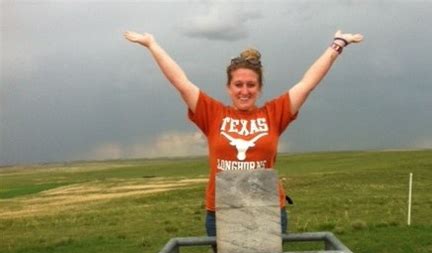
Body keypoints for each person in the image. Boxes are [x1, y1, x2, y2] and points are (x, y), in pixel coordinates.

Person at [124, 29, 363, 238]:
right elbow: (180, 82)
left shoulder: (274, 113)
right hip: (222, 212)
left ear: (259, 88)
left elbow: (308, 82)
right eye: (238, 84)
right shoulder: (212, 113)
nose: (244, 91)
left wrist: (337, 45)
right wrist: (152, 45)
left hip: (267, 209)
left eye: (251, 85)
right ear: (229, 88)